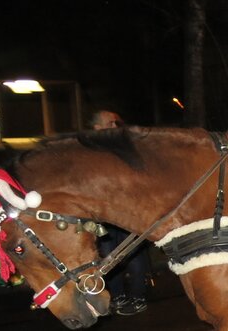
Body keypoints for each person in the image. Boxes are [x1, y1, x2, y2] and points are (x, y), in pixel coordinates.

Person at [89, 110, 150, 316]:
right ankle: (117, 296)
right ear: (97, 128)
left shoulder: (127, 149)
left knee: (134, 255)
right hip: (104, 216)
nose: (115, 127)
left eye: (117, 123)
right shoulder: (91, 153)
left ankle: (138, 298)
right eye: (110, 123)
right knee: (108, 258)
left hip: (129, 213)